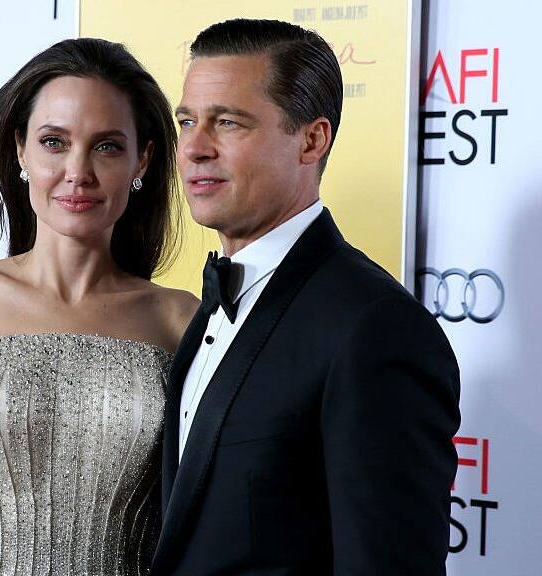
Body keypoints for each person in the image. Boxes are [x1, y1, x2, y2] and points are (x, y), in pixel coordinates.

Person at [152, 19, 461, 576]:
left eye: (228, 123)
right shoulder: (214, 302)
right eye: (187, 121)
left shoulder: (374, 328)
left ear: (312, 140)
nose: (195, 148)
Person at [0, 38, 198, 575]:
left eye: (107, 147)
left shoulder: (181, 321)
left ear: (141, 159)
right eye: (54, 142)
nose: (78, 171)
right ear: (20, 150)